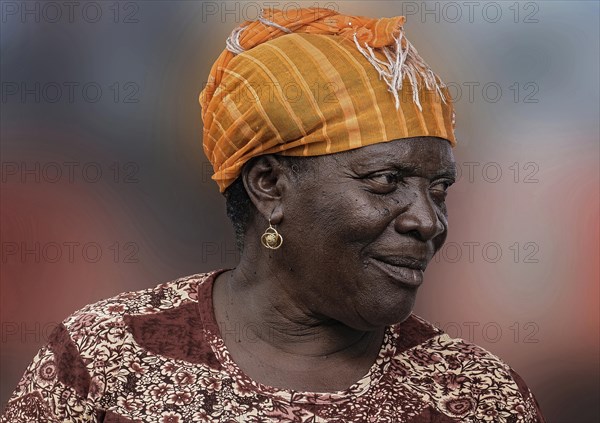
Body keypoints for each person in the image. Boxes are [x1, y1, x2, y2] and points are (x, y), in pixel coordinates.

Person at [1, 8, 546, 423]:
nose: (427, 222)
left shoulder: (478, 395)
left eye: (440, 190)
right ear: (269, 186)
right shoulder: (106, 356)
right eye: (386, 181)